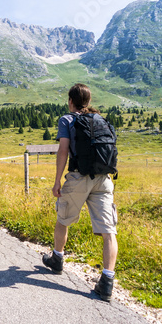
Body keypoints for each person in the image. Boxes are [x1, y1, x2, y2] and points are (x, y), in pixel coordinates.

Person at [42, 83, 118, 302]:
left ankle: (57, 259)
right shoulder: (100, 120)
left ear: (70, 101)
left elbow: (63, 150)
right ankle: (107, 282)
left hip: (78, 177)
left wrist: (57, 180)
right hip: (103, 179)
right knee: (108, 230)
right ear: (89, 100)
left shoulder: (67, 119)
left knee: (63, 219)